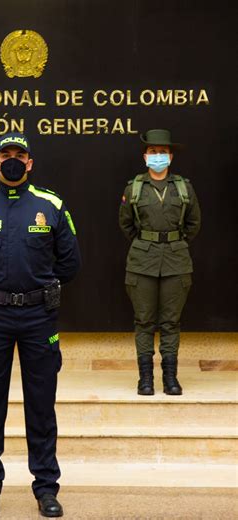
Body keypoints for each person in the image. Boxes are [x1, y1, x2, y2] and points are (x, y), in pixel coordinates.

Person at [0, 132, 81, 518]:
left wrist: (41, 288)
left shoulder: (51, 204)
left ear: (29, 162)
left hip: (40, 317)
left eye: (18, 155)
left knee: (41, 407)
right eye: (5, 154)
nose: (12, 160)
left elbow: (71, 261)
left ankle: (46, 489)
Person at [119, 129, 201, 396]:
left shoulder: (183, 187)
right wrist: (148, 241)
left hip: (176, 261)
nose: (158, 156)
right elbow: (126, 224)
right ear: (145, 156)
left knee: (170, 322)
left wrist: (173, 241)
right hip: (142, 260)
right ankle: (145, 379)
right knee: (143, 321)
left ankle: (170, 378)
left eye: (162, 152)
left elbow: (193, 223)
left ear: (170, 156)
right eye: (153, 152)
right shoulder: (134, 188)